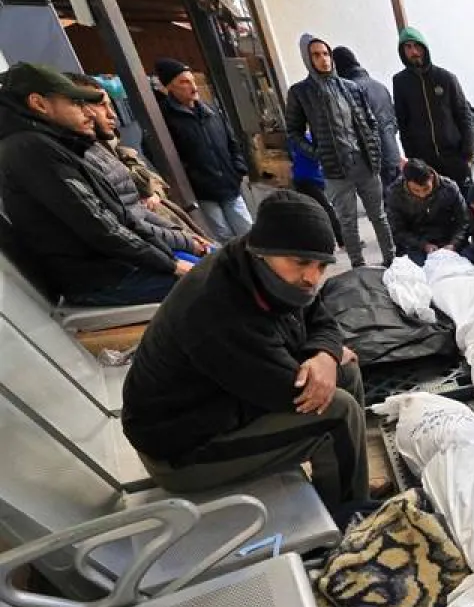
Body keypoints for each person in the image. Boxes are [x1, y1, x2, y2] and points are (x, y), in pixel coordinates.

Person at [122, 191, 368, 512]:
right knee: (337, 414)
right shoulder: (215, 307)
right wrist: (328, 357)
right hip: (183, 451)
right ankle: (350, 519)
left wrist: (325, 354)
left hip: (226, 406)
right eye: (302, 262)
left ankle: (348, 477)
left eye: (322, 266)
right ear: (263, 251)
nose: (312, 277)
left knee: (344, 372)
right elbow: (287, 391)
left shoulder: (261, 269)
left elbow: (319, 319)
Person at [0, 62, 187, 306]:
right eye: (77, 104)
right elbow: (100, 227)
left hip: (120, 267)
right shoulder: (31, 149)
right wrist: (170, 264)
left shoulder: (58, 144)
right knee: (224, 289)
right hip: (102, 280)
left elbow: (120, 216)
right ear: (39, 104)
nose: (89, 114)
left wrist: (169, 257)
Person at [71, 74, 212, 261]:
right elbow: (131, 219)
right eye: (101, 105)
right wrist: (185, 245)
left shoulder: (115, 149)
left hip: (170, 230)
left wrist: (154, 193)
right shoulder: (83, 159)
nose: (112, 114)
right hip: (157, 249)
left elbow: (152, 184)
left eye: (111, 105)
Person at [284, 33, 396, 268]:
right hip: (335, 168)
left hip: (364, 162)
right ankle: (358, 265)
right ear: (307, 59)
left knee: (379, 215)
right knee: (348, 220)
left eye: (326, 54)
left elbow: (370, 120)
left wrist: (373, 147)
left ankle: (392, 259)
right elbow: (293, 131)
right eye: (316, 55)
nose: (323, 59)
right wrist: (317, 153)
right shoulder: (300, 92)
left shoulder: (351, 87)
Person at [154, 58, 252, 241]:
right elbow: (156, 153)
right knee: (224, 236)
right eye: (184, 82)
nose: (193, 87)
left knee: (248, 230)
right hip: (203, 191)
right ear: (169, 88)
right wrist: (187, 180)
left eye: (192, 80)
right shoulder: (163, 119)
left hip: (229, 184)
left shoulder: (210, 110)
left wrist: (238, 168)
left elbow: (232, 142)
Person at [393, 26, 474, 191]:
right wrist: (412, 157)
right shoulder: (400, 82)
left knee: (465, 201)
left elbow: (463, 114)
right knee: (435, 207)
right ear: (402, 52)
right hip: (425, 161)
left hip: (454, 156)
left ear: (424, 48)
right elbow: (403, 121)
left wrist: (468, 151)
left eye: (416, 46)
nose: (414, 51)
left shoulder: (446, 78)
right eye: (408, 47)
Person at [330, 46, 401, 186]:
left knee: (382, 204)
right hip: (392, 153)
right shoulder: (379, 86)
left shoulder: (349, 90)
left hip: (372, 160)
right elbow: (394, 121)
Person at [384, 159, 467, 264]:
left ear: (431, 178)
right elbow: (397, 230)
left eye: (426, 188)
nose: (422, 194)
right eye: (416, 190)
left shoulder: (449, 188)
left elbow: (464, 220)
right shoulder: (395, 194)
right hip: (415, 244)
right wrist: (423, 245)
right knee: (417, 270)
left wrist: (454, 243)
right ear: (407, 183)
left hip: (447, 240)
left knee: (469, 261)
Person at [288, 134, 343, 248]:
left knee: (311, 211)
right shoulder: (310, 138)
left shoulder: (293, 139)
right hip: (310, 178)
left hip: (303, 178)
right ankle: (342, 240)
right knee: (327, 209)